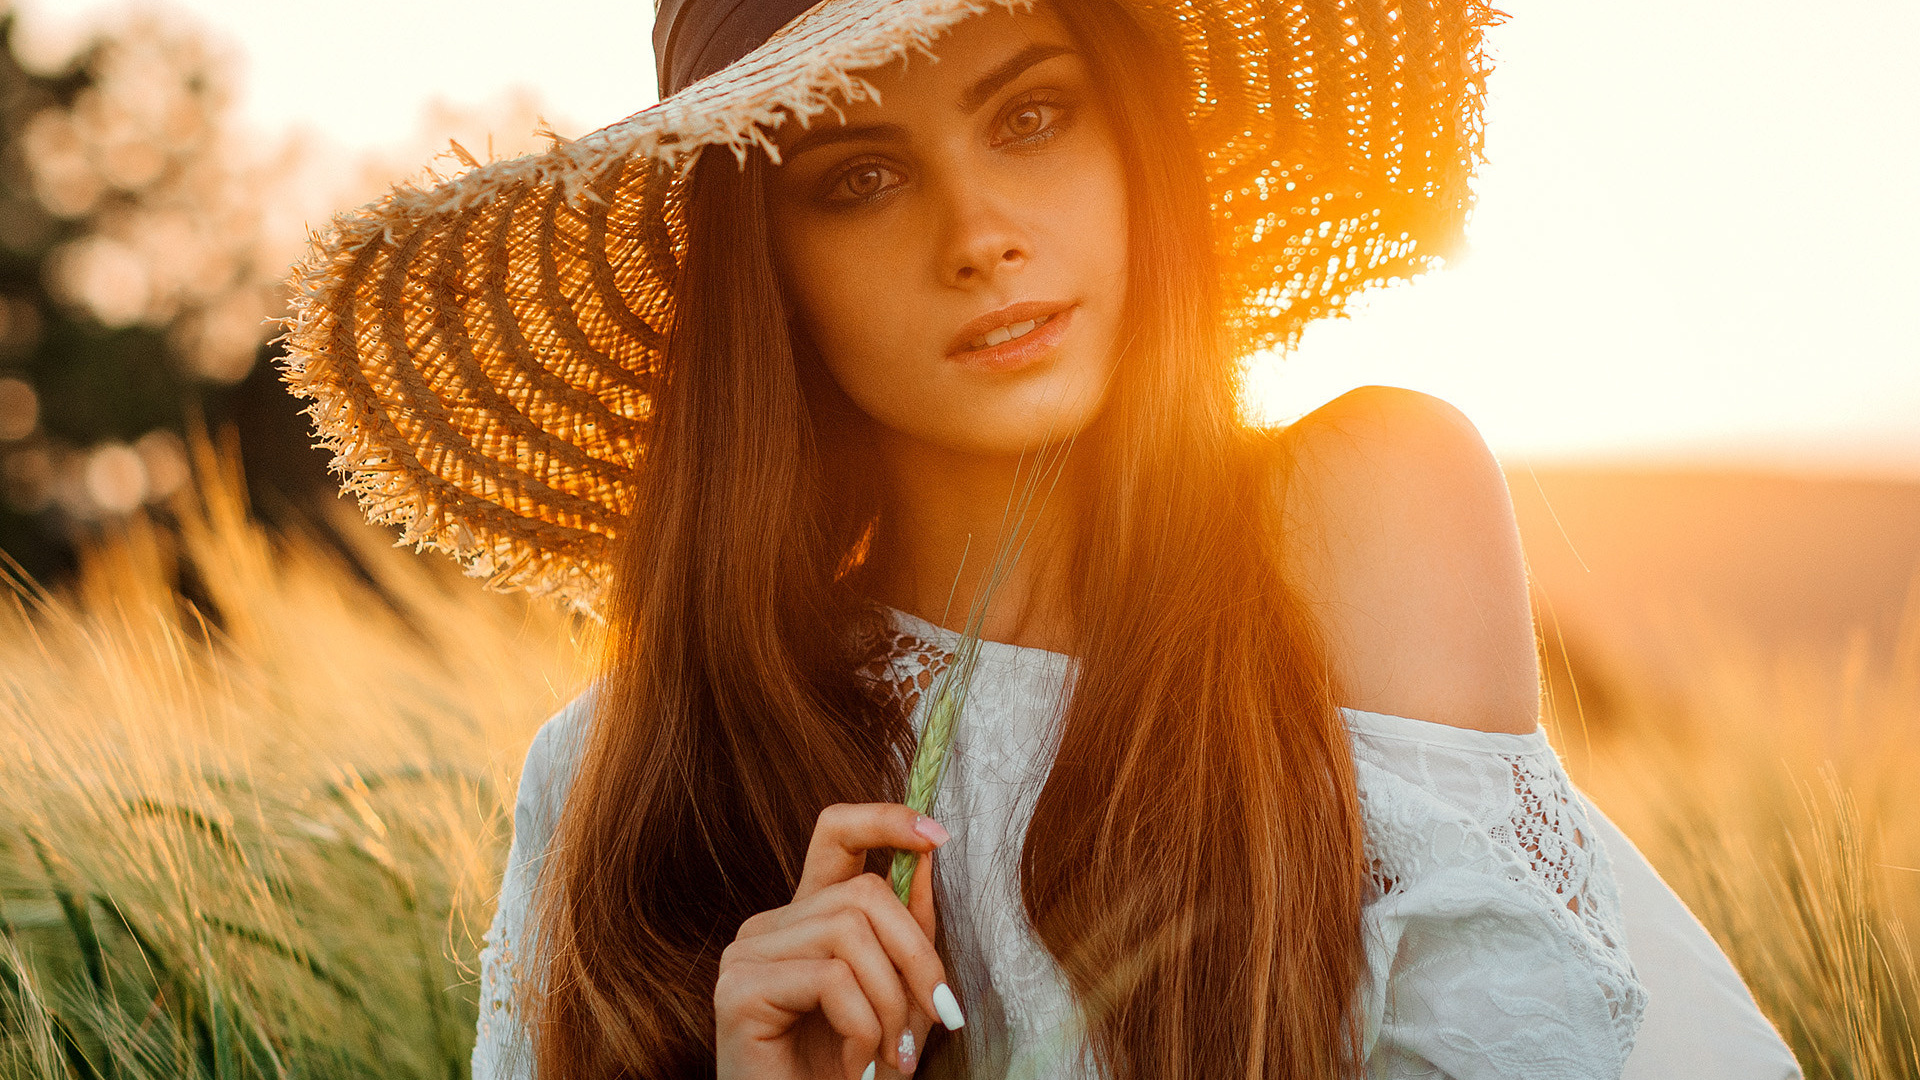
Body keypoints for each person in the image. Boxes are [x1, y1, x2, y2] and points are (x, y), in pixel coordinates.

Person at [281, 0, 1803, 1076]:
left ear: (1137, 139)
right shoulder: (619, 779)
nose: (979, 232)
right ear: (767, 274)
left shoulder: (1365, 507)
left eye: (1033, 113)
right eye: (859, 179)